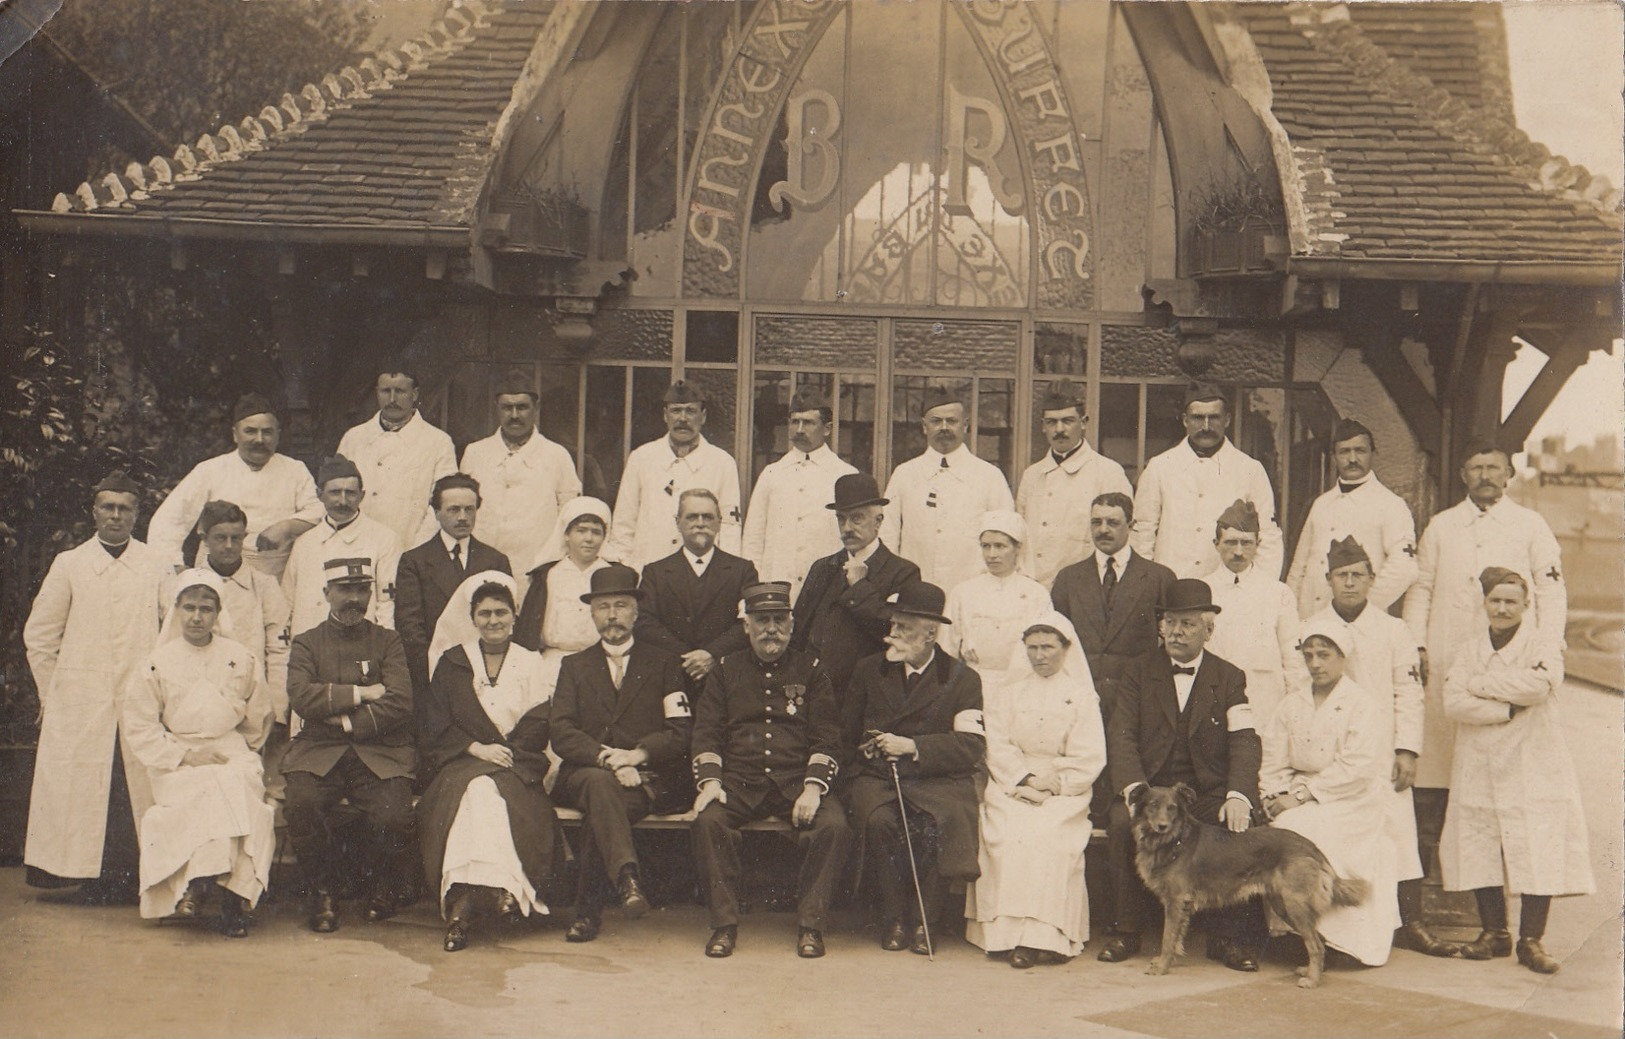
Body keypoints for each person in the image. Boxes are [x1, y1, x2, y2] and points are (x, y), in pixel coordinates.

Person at [1099, 579, 1264, 971]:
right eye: (1169, 623)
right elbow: (1120, 735)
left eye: (1187, 624)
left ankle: (1226, 939)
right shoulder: (1138, 672)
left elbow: (1244, 740)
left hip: (1203, 793)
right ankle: (1127, 930)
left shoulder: (1229, 677)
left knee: (1235, 827)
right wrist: (1136, 789)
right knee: (1123, 825)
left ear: (1209, 629)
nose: (1175, 632)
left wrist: (1239, 795)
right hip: (1150, 792)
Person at [1439, 568, 1592, 975]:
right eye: (1495, 600)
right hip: (1479, 757)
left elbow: (1540, 687)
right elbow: (1453, 701)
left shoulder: (1541, 643)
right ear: (1484, 604)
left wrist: (1481, 685)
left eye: (1511, 601)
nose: (1502, 608)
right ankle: (1494, 933)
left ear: (1526, 605)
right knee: (1478, 839)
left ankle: (1531, 940)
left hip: (1532, 757)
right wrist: (1505, 708)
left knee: (1535, 841)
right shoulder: (1470, 647)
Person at [1304, 535, 1450, 957]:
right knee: (1340, 840)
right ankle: (1338, 931)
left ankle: (1411, 922)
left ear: (1371, 579)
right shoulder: (1313, 627)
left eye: (1357, 575)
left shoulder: (1393, 629)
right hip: (1333, 756)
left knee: (1398, 836)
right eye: (1341, 575)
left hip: (1381, 753)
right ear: (1328, 579)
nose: (1349, 583)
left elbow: (1409, 691)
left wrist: (1407, 748)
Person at [23, 470, 164, 903]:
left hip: (139, 696)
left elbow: (174, 630)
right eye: (108, 507)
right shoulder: (70, 564)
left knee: (131, 784)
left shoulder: (155, 563)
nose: (116, 516)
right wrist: (54, 693)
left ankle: (131, 878)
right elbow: (40, 636)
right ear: (95, 512)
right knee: (83, 785)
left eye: (125, 508)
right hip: (81, 702)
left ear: (137, 514)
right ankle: (82, 876)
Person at [689, 581, 849, 959]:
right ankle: (724, 927)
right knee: (708, 821)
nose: (771, 630)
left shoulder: (810, 670)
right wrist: (710, 782)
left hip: (796, 780)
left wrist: (813, 788)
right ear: (746, 626)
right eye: (762, 621)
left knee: (834, 826)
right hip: (740, 782)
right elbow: (706, 731)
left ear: (792, 625)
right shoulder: (726, 670)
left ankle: (811, 926)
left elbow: (828, 735)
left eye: (779, 620)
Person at [1404, 442, 1566, 792]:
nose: (1485, 476)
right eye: (1476, 469)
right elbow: (1420, 588)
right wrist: (1416, 643)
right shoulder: (1442, 526)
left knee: (1505, 739)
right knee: (1446, 741)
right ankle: (1439, 823)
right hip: (1449, 643)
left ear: (1508, 474)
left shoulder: (1530, 525)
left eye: (1493, 468)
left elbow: (1551, 590)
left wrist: (1548, 645)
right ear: (1464, 476)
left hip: (1510, 650)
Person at [122, 569, 275, 935]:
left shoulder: (239, 657)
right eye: (188, 607)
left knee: (236, 778)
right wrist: (184, 756)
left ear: (218, 613)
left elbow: (259, 718)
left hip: (229, 748)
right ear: (176, 609)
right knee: (215, 785)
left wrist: (234, 749)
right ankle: (219, 892)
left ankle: (209, 888)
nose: (196, 617)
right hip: (176, 755)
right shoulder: (157, 662)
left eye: (206, 608)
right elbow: (140, 725)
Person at [549, 564, 693, 943]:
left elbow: (679, 732)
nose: (612, 615)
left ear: (636, 611)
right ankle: (627, 878)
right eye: (603, 607)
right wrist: (607, 758)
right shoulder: (573, 666)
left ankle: (587, 914)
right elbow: (562, 731)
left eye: (620, 605)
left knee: (602, 805)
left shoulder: (664, 663)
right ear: (592, 613)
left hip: (642, 781)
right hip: (584, 772)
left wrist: (636, 756)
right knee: (599, 784)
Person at [417, 572, 558, 953]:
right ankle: (504, 889)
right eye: (484, 614)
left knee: (482, 793)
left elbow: (540, 721)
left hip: (517, 764)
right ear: (473, 618)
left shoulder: (531, 662)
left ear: (514, 615)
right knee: (477, 790)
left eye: (501, 613)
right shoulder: (453, 662)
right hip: (462, 762)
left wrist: (506, 752)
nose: (493, 621)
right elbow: (435, 722)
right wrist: (474, 747)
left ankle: (461, 906)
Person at [844, 581, 985, 956]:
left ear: (930, 633)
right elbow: (846, 732)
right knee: (880, 822)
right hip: (879, 777)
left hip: (935, 778)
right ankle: (892, 919)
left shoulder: (962, 679)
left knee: (938, 821)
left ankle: (926, 922)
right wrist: (868, 746)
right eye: (893, 625)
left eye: (903, 628)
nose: (892, 635)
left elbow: (972, 746)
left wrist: (912, 747)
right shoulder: (869, 671)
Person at [282, 557, 416, 933]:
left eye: (362, 590)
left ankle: (379, 883)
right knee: (302, 804)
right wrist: (362, 692)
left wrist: (341, 718)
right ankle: (323, 887)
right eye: (345, 590)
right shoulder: (307, 643)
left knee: (394, 815)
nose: (354, 599)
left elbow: (401, 700)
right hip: (318, 750)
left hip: (378, 751)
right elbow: (301, 698)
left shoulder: (388, 641)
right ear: (327, 593)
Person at [965, 612, 1105, 967]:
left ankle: (1047, 937)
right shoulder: (1008, 693)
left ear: (1065, 649)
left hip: (1063, 788)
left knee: (1049, 836)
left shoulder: (1081, 697)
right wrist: (1025, 780)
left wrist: (1052, 786)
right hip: (1012, 782)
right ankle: (1005, 937)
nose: (1040, 655)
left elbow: (1089, 754)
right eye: (1032, 648)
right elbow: (997, 744)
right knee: (1008, 834)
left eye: (1048, 647)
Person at [1261, 621, 1398, 967]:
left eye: (1324, 655)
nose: (1315, 664)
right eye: (1308, 655)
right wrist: (1273, 795)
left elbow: (1358, 766)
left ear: (1342, 657)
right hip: (1299, 793)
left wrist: (1305, 795)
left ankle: (1344, 942)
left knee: (1313, 833)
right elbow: (1273, 758)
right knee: (1284, 827)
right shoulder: (1292, 704)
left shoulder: (1361, 705)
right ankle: (1298, 933)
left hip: (1352, 798)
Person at [1049, 492, 1176, 823]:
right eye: (1096, 522)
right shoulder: (1068, 578)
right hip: (1081, 698)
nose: (1103, 530)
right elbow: (1056, 640)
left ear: (1130, 526)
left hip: (1136, 702)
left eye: (1112, 522)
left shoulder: (1158, 578)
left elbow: (1169, 646)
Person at [163, 501, 293, 801]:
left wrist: (276, 707)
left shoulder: (264, 586)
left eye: (237, 538)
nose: (229, 546)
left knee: (249, 786)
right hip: (194, 705)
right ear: (204, 537)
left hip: (250, 704)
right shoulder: (186, 587)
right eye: (220, 538)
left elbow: (279, 648)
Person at [790, 473, 920, 748]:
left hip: (868, 703)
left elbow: (898, 635)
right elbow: (799, 631)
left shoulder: (902, 572)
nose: (847, 527)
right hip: (817, 698)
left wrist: (860, 587)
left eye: (857, 518)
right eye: (841, 519)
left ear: (879, 521)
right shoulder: (822, 568)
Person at [145, 394, 323, 578]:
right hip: (215, 581)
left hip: (275, 579)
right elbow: (169, 520)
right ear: (235, 434)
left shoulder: (295, 470)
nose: (259, 440)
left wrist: (286, 527)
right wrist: (174, 567)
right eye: (250, 431)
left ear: (278, 434)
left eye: (267, 432)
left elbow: (318, 511)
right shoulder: (210, 470)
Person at [1130, 383, 1282, 580]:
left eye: (1214, 417)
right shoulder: (1160, 467)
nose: (1206, 426)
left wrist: (1259, 587)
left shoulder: (1250, 469)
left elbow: (1268, 536)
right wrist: (1145, 584)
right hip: (1172, 583)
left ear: (1227, 420)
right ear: (1185, 420)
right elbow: (1143, 533)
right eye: (1198, 418)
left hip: (1229, 585)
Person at [395, 473, 512, 716]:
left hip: (486, 673)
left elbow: (505, 623)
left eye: (469, 509)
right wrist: (435, 672)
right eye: (453, 509)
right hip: (435, 676)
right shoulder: (414, 561)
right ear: (436, 512)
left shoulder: (495, 560)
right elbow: (410, 627)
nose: (462, 517)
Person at [457, 370, 582, 594]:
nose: (514, 415)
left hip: (536, 567)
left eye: (522, 407)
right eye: (507, 408)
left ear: (536, 409)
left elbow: (570, 517)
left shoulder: (556, 455)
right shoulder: (475, 453)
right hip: (483, 565)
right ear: (497, 408)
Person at [880, 387, 1015, 592]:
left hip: (972, 593)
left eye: (952, 421)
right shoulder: (904, 474)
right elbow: (887, 536)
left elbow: (1006, 539)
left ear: (965, 425)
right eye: (936, 421)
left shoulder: (990, 477)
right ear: (924, 427)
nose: (944, 427)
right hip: (914, 591)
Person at [1286, 419, 1418, 619]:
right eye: (1344, 451)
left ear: (1372, 454)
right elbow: (1299, 566)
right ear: (1334, 457)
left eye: (1360, 450)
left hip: (1360, 623)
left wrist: (1362, 608)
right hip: (1311, 619)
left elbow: (1405, 567)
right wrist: (1289, 616)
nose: (1352, 458)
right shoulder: (1321, 504)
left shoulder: (1391, 505)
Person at [606, 380, 742, 571]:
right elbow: (624, 522)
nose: (683, 419)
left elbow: (729, 526)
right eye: (676, 410)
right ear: (665, 415)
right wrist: (625, 567)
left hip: (700, 572)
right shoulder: (642, 458)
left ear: (703, 417)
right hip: (647, 567)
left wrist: (727, 573)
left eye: (691, 411)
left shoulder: (722, 463)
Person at [635, 489, 757, 696]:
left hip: (726, 680)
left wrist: (711, 654)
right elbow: (645, 623)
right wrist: (688, 657)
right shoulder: (655, 573)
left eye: (708, 517)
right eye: (692, 516)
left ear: (719, 522)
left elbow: (749, 622)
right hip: (671, 680)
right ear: (678, 522)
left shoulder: (742, 570)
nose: (700, 523)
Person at [741, 386, 857, 601]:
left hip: (826, 593)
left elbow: (856, 542)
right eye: (795, 422)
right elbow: (753, 539)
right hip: (777, 590)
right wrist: (754, 592)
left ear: (827, 429)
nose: (800, 430)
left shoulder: (845, 475)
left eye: (809, 423)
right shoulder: (772, 474)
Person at [1200, 499, 1306, 727]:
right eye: (1230, 543)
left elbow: (1294, 660)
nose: (1238, 552)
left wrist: (1295, 712)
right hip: (1211, 705)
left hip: (1264, 708)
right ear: (1216, 543)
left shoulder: (1278, 594)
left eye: (1246, 543)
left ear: (1258, 544)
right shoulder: (1202, 591)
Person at [1015, 382, 1132, 588]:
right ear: (1043, 425)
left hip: (1085, 587)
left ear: (1084, 422)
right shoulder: (1032, 475)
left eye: (1067, 421)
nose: (1059, 430)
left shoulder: (1107, 472)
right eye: (1051, 422)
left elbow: (1121, 537)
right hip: (1033, 585)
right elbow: (1019, 535)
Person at [335, 369, 458, 552]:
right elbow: (336, 492)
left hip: (409, 547)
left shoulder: (438, 442)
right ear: (377, 393)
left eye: (400, 391)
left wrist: (416, 551)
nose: (392, 399)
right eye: (385, 391)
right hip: (356, 546)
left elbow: (443, 503)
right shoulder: (354, 438)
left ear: (414, 394)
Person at [283, 455, 400, 638]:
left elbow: (387, 603)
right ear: (320, 495)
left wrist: (383, 650)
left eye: (350, 493)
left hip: (358, 643)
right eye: (335, 492)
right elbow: (286, 604)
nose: (343, 501)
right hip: (309, 646)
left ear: (362, 496)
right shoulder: (304, 543)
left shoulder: (384, 539)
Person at [514, 497, 614, 701]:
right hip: (553, 664)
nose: (589, 538)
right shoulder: (547, 575)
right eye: (581, 530)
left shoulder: (612, 574)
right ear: (567, 534)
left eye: (596, 532)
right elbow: (529, 631)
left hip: (602, 662)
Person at [941, 510, 1050, 693]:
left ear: (1018, 548)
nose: (991, 554)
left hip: (1021, 687)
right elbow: (946, 649)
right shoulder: (963, 592)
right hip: (972, 686)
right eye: (986, 546)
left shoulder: (1036, 594)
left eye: (1000, 546)